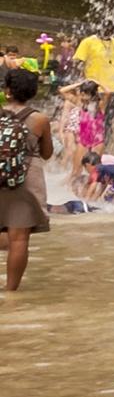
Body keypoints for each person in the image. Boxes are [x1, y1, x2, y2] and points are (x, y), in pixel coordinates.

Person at [1, 64, 54, 293]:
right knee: (19, 239)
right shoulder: (39, 120)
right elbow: (47, 153)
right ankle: (11, 292)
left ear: (7, 90)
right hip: (24, 182)